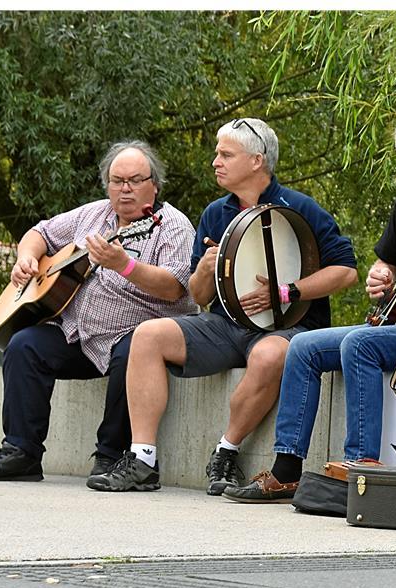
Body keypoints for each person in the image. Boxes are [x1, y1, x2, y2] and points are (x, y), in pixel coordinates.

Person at [222, 112, 396, 503]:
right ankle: (287, 469)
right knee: (302, 348)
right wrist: (380, 275)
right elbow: (384, 263)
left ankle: (360, 469)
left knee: (360, 345)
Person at [86, 118, 358, 493]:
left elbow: (346, 272)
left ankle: (226, 452)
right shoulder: (215, 213)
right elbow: (198, 297)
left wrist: (286, 292)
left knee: (269, 356)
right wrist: (202, 270)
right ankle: (143, 458)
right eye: (217, 153)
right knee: (147, 335)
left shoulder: (300, 208)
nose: (216, 161)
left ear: (257, 161)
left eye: (226, 154)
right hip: (226, 326)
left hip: (287, 327)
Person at [0, 141, 197, 482]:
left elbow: (176, 285)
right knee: (24, 345)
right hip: (78, 334)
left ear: (154, 184)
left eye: (134, 180)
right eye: (117, 181)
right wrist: (26, 258)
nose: (125, 189)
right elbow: (39, 233)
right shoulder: (93, 214)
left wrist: (125, 265)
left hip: (135, 336)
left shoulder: (172, 226)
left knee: (133, 349)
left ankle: (113, 457)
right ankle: (21, 452)